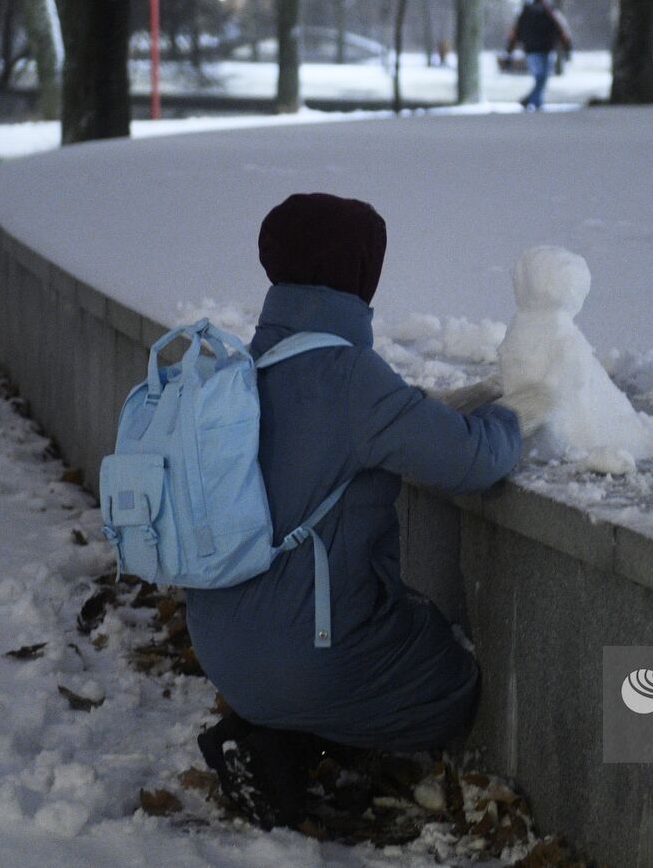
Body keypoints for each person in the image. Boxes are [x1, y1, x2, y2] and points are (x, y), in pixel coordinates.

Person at [188, 193, 550, 828]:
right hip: (304, 661)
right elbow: (474, 462)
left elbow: (358, 422)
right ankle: (285, 746)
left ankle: (271, 730)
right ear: (359, 273)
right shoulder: (349, 374)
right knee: (451, 685)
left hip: (219, 646)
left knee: (348, 641)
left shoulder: (242, 366)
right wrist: (518, 410)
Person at [506, 0, 572, 111]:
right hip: (546, 49)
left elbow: (515, 32)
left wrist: (510, 50)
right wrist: (568, 48)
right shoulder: (550, 11)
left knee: (539, 77)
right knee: (543, 77)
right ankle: (534, 102)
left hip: (531, 50)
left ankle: (533, 101)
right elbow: (562, 29)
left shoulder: (526, 12)